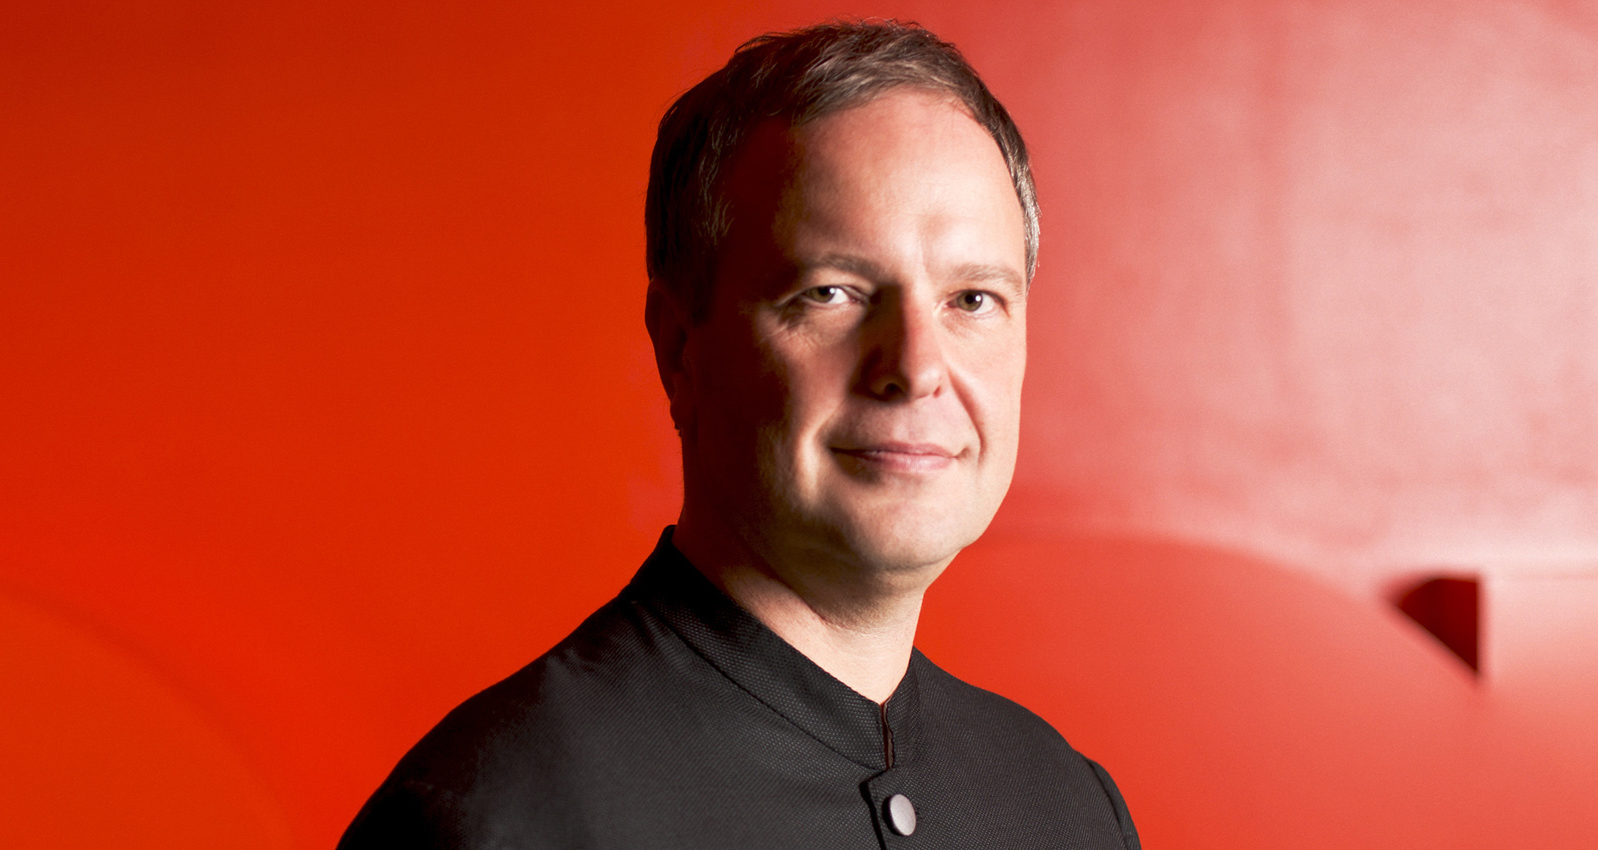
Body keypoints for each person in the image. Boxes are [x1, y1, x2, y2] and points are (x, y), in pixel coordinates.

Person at [339, 20, 1140, 849]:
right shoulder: (496, 818)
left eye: (972, 300)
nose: (915, 368)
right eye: (831, 292)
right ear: (679, 350)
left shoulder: (1070, 807)